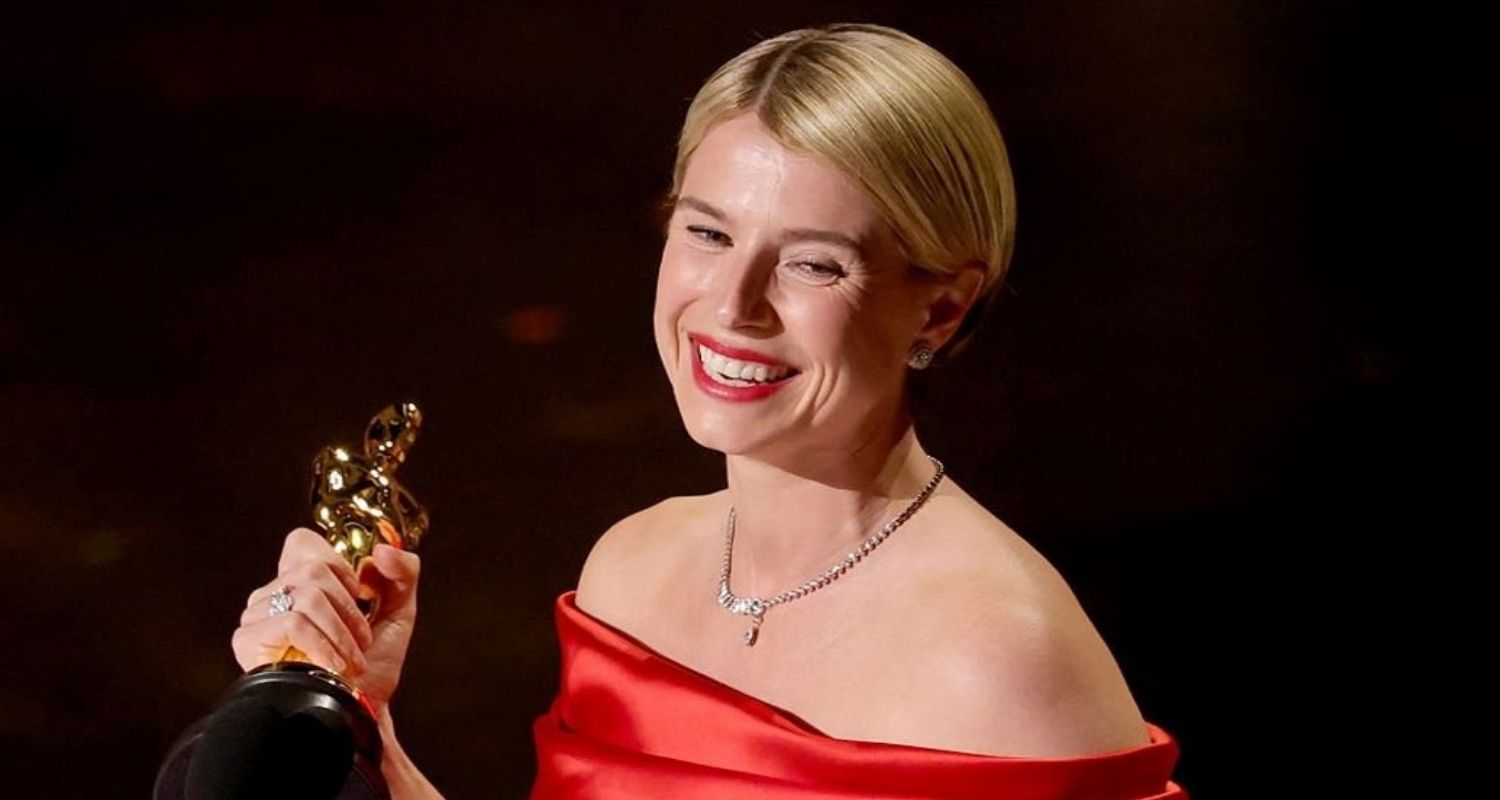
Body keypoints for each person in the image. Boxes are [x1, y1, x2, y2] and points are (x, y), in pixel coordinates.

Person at [231, 23, 1187, 799]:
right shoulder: (633, 572)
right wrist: (365, 732)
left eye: (813, 262)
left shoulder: (998, 660)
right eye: (708, 233)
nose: (733, 306)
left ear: (940, 308)